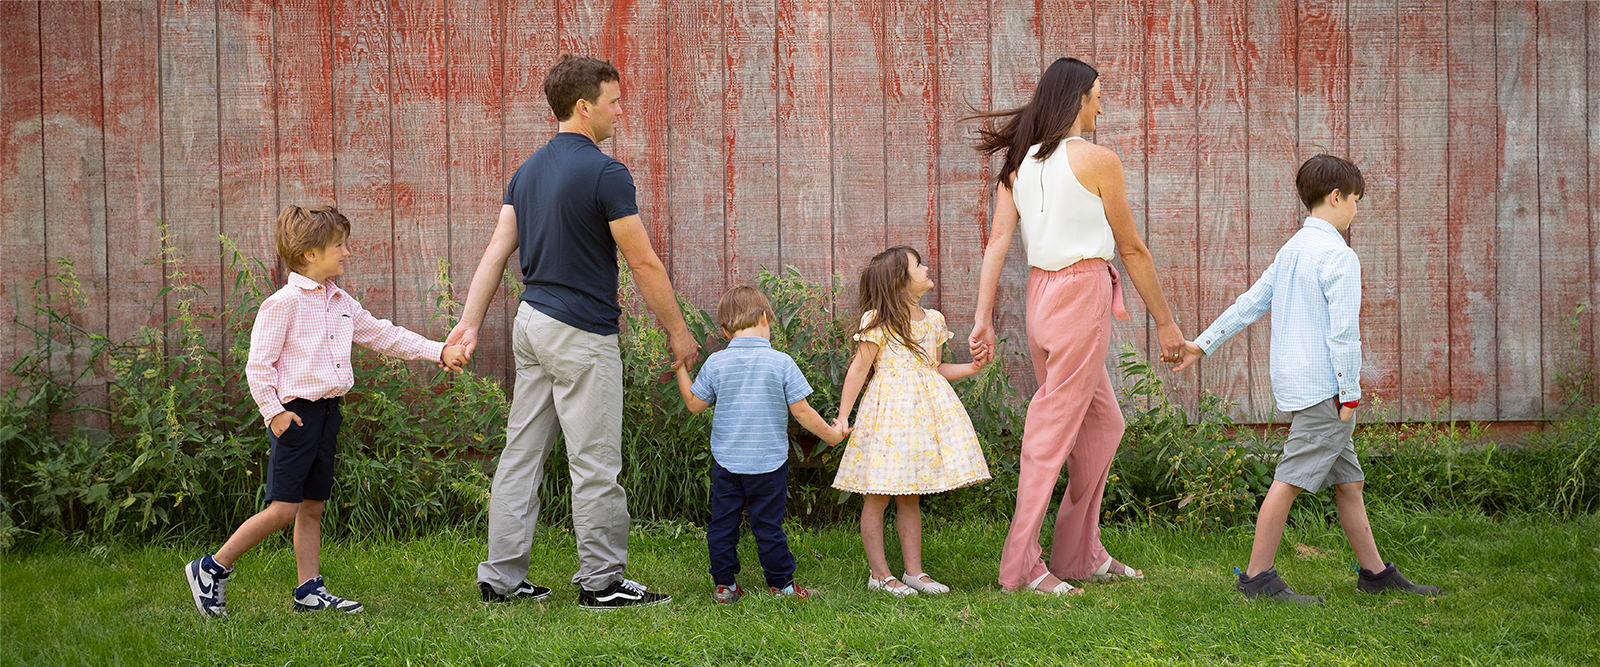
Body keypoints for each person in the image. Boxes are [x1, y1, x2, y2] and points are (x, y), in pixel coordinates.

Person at [447, 55, 697, 610]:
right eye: (613, 101)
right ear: (584, 107)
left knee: (520, 456)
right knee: (594, 462)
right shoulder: (607, 172)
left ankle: (501, 578)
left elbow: (495, 253)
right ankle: (602, 582)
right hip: (581, 334)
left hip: (531, 324)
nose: (619, 111)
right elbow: (644, 263)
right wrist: (678, 333)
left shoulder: (528, 170)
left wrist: (468, 322)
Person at [1174, 154, 1443, 604]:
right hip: (1328, 391)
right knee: (1290, 479)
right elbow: (1343, 333)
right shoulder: (1339, 256)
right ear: (1336, 197)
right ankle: (1258, 578)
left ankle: (1374, 573)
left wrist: (1202, 343)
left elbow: (1250, 303)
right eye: (1355, 200)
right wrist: (1351, 395)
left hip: (1300, 388)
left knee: (1349, 482)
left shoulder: (1292, 250)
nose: (1357, 209)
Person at [183, 205, 468, 617]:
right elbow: (258, 366)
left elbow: (384, 334)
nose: (347, 252)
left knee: (313, 505)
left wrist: (438, 349)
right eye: (339, 245)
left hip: (328, 414)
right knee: (282, 509)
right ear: (310, 254)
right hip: (294, 416)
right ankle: (212, 567)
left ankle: (308, 590)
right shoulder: (282, 304)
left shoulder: (340, 301)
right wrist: (274, 412)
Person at [968, 57, 1186, 595]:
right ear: (1076, 100)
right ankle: (1022, 567)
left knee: (1104, 424)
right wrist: (1167, 325)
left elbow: (998, 244)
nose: (1101, 106)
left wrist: (983, 319)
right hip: (1080, 292)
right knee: (1050, 433)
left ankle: (1077, 553)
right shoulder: (1097, 160)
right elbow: (1132, 248)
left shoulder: (1019, 166)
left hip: (1041, 297)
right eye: (1095, 95)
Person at [833, 246, 992, 597]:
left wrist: (972, 367)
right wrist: (843, 416)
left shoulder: (933, 320)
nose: (926, 268)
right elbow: (860, 369)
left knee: (910, 496)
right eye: (918, 266)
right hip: (887, 419)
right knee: (877, 496)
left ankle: (914, 572)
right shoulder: (878, 321)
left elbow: (934, 369)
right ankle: (879, 574)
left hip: (921, 422)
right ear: (899, 282)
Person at [674, 286, 848, 603]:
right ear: (766, 318)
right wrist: (831, 436)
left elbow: (694, 404)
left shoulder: (716, 363)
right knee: (768, 526)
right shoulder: (781, 363)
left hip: (727, 464)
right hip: (769, 464)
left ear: (725, 331)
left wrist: (682, 369)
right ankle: (782, 586)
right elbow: (802, 411)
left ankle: (724, 586)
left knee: (723, 525)